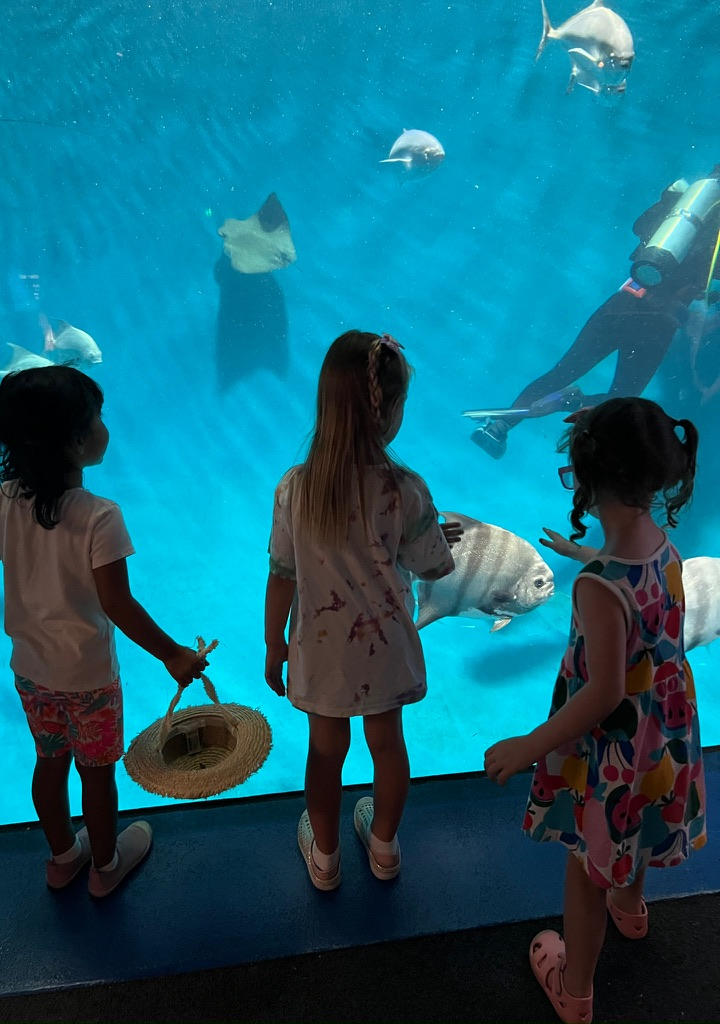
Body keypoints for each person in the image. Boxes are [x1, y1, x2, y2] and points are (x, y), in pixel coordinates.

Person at [483, 398, 706, 1024]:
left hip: (613, 747)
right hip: (662, 734)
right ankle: (631, 913)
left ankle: (574, 990)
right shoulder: (664, 546)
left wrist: (529, 746)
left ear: (584, 479)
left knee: (587, 864)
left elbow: (604, 692)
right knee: (634, 833)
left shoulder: (596, 588)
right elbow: (634, 589)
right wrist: (589, 559)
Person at [0, 366, 206, 897]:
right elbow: (117, 603)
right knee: (97, 775)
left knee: (49, 765)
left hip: (32, 676)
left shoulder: (3, 502)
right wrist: (173, 654)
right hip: (88, 680)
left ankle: (63, 857)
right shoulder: (99, 517)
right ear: (75, 441)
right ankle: (105, 868)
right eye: (97, 418)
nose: (104, 427)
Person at [264, 330, 460, 890]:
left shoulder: (295, 489)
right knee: (387, 745)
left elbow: (282, 575)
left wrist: (273, 643)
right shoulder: (405, 489)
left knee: (325, 753)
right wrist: (429, 529)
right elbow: (432, 568)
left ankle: (325, 861)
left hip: (322, 654)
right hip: (385, 650)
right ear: (390, 411)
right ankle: (384, 850)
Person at [470, 166, 720, 460]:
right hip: (659, 326)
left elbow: (639, 229)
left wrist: (671, 201)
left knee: (562, 372)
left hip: (626, 303)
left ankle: (500, 426)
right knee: (622, 400)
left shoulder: (688, 203)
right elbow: (704, 291)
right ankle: (570, 402)